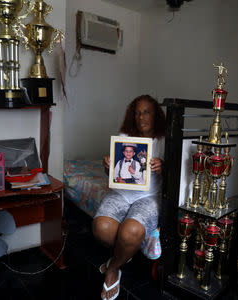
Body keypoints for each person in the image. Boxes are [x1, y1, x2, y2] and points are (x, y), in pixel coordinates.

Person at [92, 95, 166, 300]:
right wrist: (106, 166)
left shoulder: (165, 140)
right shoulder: (125, 136)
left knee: (131, 231)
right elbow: (112, 175)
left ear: (156, 115)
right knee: (101, 228)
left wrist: (163, 167)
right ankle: (126, 251)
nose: (141, 117)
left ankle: (114, 267)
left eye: (147, 112)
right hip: (121, 193)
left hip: (148, 196)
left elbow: (175, 176)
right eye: (137, 112)